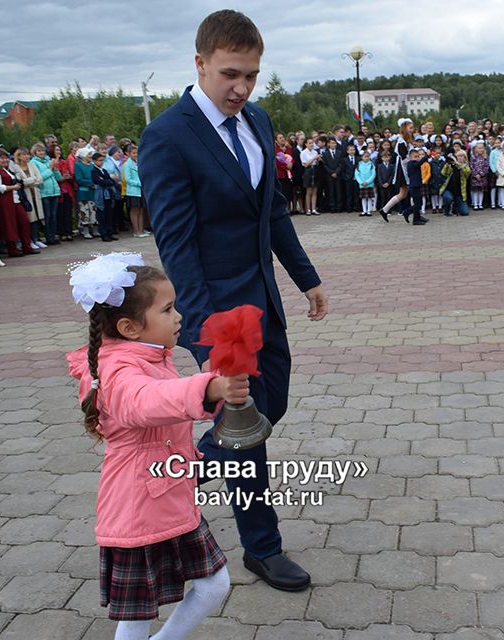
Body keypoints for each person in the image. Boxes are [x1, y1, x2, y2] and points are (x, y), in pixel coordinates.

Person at [138, 9, 327, 593]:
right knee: (243, 425)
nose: (241, 88)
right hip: (219, 314)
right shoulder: (167, 136)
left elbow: (271, 210)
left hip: (263, 301)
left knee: (269, 409)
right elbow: (177, 240)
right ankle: (262, 548)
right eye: (229, 75)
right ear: (199, 64)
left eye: (251, 75)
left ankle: (179, 474)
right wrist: (200, 331)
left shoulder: (258, 121)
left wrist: (305, 277)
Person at [67, 254, 244, 640]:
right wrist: (208, 388)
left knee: (214, 585)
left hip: (171, 497)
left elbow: (166, 397)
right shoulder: (118, 372)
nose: (178, 316)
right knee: (136, 618)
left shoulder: (149, 356)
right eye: (167, 309)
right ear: (130, 327)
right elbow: (147, 400)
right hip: (138, 509)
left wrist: (215, 379)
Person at [0, 150, 39, 257]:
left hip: (16, 199)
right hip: (5, 201)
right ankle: (12, 250)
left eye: (6, 158)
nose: (5, 160)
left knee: (24, 222)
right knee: (9, 225)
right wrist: (13, 187)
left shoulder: (7, 170)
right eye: (1, 158)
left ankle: (26, 246)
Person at [379, 118, 413, 219]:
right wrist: (415, 159)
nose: (412, 130)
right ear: (404, 128)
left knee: (403, 193)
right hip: (403, 169)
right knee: (411, 191)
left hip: (404, 168)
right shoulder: (402, 141)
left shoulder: (405, 140)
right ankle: (413, 213)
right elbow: (404, 159)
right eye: (410, 128)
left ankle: (384, 210)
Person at [13, 147, 46, 248]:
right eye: (24, 154)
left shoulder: (32, 165)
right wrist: (31, 180)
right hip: (25, 194)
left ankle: (36, 239)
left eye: (28, 154)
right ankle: (29, 241)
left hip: (35, 192)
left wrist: (28, 181)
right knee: (29, 217)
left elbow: (40, 179)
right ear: (19, 156)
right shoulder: (15, 167)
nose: (27, 156)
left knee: (36, 217)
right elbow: (20, 181)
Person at [29, 142, 61, 244]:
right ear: (35, 152)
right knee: (47, 216)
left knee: (54, 215)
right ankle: (48, 237)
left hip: (54, 190)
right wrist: (50, 169)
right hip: (44, 192)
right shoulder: (33, 163)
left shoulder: (49, 160)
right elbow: (39, 178)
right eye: (39, 151)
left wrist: (55, 169)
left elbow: (58, 177)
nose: (41, 152)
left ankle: (53, 235)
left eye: (42, 150)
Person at [51, 143, 75, 242]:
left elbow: (69, 172)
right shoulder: (51, 162)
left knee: (68, 212)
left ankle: (68, 231)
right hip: (58, 189)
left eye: (59, 150)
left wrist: (68, 176)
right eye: (56, 150)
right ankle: (61, 232)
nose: (58, 152)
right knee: (59, 213)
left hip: (67, 189)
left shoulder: (64, 161)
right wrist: (62, 177)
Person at [122, 146, 149, 238]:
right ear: (128, 154)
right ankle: (136, 231)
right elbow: (127, 179)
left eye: (137, 152)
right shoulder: (127, 165)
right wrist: (139, 183)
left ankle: (141, 230)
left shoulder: (139, 163)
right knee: (135, 210)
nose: (136, 155)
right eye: (133, 153)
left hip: (141, 190)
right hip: (133, 191)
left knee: (141, 210)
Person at [91, 153, 117, 242]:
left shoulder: (104, 171)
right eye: (99, 160)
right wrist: (105, 181)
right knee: (102, 215)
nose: (101, 162)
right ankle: (104, 233)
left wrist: (105, 180)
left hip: (108, 194)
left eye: (102, 160)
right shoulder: (94, 171)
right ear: (94, 161)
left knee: (109, 214)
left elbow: (111, 181)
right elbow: (98, 181)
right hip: (101, 195)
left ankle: (110, 232)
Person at [74, 148, 97, 239]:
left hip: (92, 192)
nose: (90, 156)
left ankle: (95, 229)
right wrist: (90, 183)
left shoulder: (91, 165)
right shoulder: (78, 165)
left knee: (93, 210)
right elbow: (79, 179)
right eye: (89, 154)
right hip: (83, 192)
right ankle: (85, 230)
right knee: (84, 211)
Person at [440, 151, 471, 216]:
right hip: (448, 190)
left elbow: (467, 172)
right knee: (448, 198)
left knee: (465, 212)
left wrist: (457, 163)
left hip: (459, 193)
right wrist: (448, 164)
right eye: (458, 156)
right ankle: (446, 211)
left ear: (465, 158)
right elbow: (443, 173)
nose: (459, 158)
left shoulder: (466, 167)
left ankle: (455, 207)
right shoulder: (451, 166)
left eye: (461, 156)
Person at [404, 147, 429, 224]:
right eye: (415, 157)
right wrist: (426, 156)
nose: (417, 158)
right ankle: (413, 218)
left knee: (419, 203)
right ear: (410, 157)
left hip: (417, 185)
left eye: (418, 156)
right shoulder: (411, 164)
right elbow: (419, 163)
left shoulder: (414, 164)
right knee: (417, 203)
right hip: (414, 187)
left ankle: (418, 216)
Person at [300, 137, 322, 215]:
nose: (311, 144)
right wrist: (314, 159)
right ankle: (308, 209)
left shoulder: (315, 152)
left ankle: (313, 208)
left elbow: (316, 162)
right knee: (308, 191)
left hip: (314, 170)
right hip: (308, 171)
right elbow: (305, 164)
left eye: (312, 143)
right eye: (309, 143)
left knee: (315, 191)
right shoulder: (303, 152)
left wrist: (318, 160)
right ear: (306, 144)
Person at [322, 137, 343, 212]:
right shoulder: (325, 154)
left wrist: (336, 172)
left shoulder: (339, 153)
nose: (334, 144)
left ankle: (339, 206)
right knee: (331, 191)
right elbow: (325, 165)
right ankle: (332, 207)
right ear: (328, 144)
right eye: (332, 143)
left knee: (338, 191)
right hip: (329, 175)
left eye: (335, 143)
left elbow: (341, 164)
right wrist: (331, 172)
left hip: (338, 175)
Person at [354, 150, 376, 217]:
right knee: (363, 198)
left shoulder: (372, 165)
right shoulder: (359, 164)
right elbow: (357, 174)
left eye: (368, 156)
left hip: (369, 184)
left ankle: (369, 211)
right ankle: (364, 211)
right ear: (362, 157)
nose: (366, 158)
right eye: (365, 157)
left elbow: (373, 174)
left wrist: (367, 182)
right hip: (362, 184)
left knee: (369, 198)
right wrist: (361, 182)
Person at [469, 140, 489, 210]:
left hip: (482, 177)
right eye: (479, 148)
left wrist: (481, 174)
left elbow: (486, 167)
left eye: (482, 148)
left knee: (481, 191)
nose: (480, 149)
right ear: (476, 149)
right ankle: (475, 204)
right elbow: (471, 166)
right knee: (475, 191)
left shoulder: (485, 157)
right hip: (475, 177)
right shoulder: (473, 157)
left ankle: (480, 204)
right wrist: (475, 175)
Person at [341, 142, 359, 212]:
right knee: (349, 194)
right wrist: (345, 177)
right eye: (350, 150)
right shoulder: (344, 160)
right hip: (348, 179)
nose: (352, 151)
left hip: (356, 179)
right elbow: (343, 170)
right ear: (347, 151)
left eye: (353, 150)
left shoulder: (358, 159)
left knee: (356, 193)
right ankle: (349, 207)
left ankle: (356, 207)